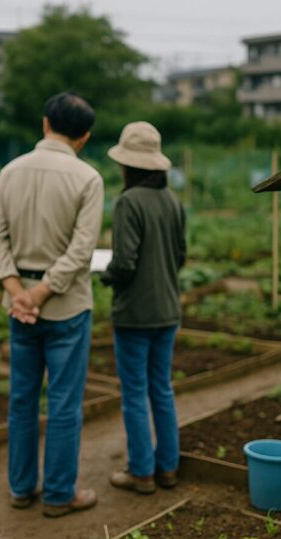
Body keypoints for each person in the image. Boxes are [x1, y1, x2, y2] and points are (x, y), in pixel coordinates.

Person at [0, 92, 104, 518]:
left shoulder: (9, 171)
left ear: (44, 124)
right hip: (65, 306)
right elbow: (81, 251)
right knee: (65, 403)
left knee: (21, 400)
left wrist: (19, 292)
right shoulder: (88, 178)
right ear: (84, 136)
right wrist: (41, 293)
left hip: (20, 307)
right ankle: (58, 494)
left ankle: (21, 488)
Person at [101, 121, 186, 494]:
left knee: (135, 394)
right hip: (168, 309)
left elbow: (124, 263)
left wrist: (105, 276)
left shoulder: (129, 201)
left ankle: (141, 472)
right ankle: (167, 468)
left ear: (129, 165)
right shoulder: (173, 202)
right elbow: (180, 256)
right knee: (162, 390)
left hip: (135, 313)